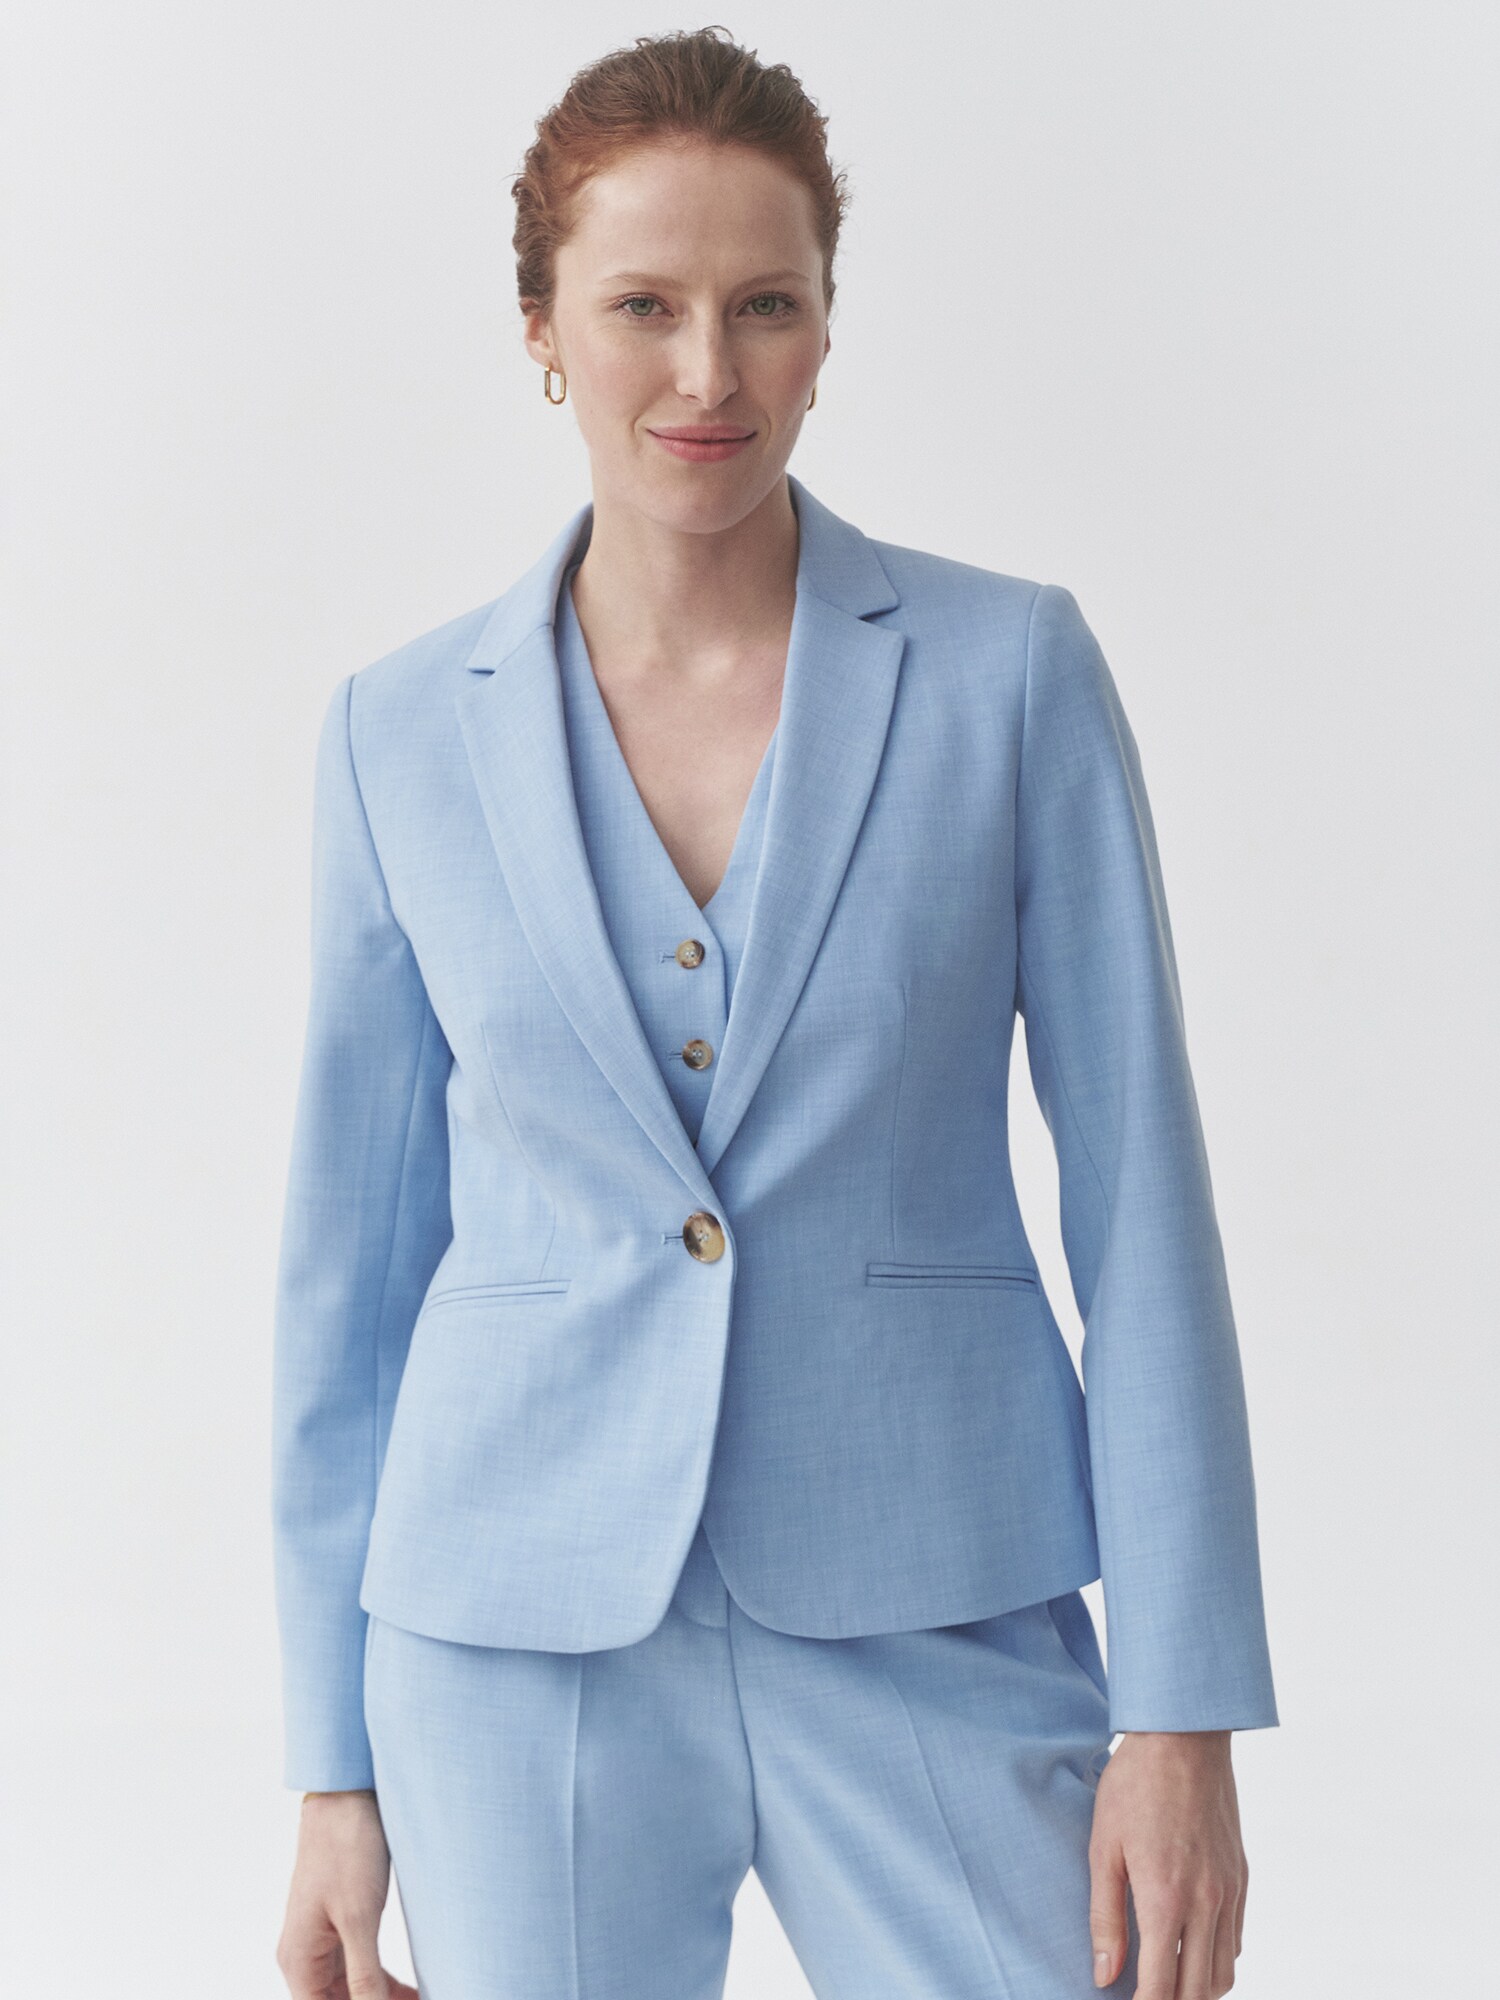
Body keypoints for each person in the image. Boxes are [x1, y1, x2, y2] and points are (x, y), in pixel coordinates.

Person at [272, 27, 1278, 2000]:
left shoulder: (1008, 675)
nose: (709, 375)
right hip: (512, 1631)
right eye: (643, 306)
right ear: (543, 329)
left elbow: (1143, 1208)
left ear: (827, 325)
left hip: (937, 1582)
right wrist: (329, 1762)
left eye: (765, 305)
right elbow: (349, 1280)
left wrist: (1182, 1707)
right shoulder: (398, 738)